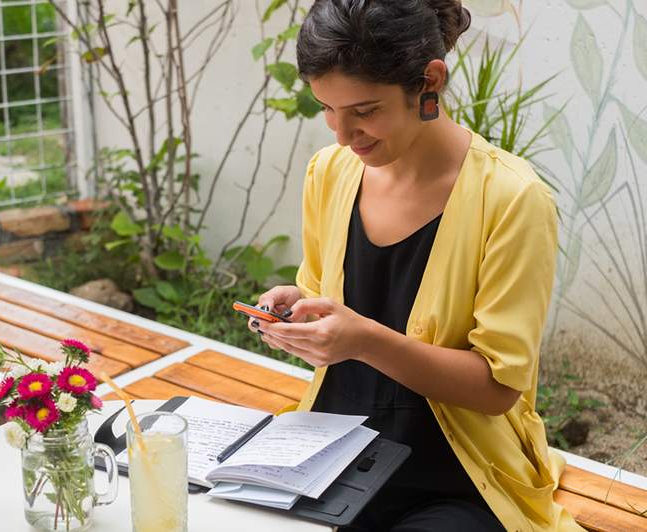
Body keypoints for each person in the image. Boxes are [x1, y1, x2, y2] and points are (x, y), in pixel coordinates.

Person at [246, 1, 585, 530]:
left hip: (456, 476)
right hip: (332, 455)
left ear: (430, 81)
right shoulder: (330, 172)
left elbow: (497, 390)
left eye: (365, 110)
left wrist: (364, 340)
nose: (343, 135)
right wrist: (296, 312)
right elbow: (324, 301)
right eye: (328, 109)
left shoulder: (512, 198)